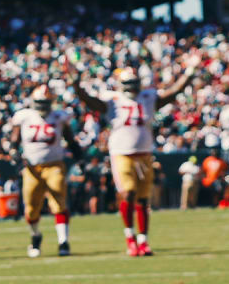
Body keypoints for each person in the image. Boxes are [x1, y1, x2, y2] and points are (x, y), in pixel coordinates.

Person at [72, 65, 197, 256]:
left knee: (143, 199)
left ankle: (143, 240)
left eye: (134, 83)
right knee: (128, 193)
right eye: (128, 83)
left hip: (145, 154)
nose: (131, 87)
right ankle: (130, 237)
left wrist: (189, 72)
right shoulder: (112, 100)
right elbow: (90, 101)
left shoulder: (148, 98)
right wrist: (76, 86)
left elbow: (174, 92)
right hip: (122, 153)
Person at [9, 85, 80, 257]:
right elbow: (15, 137)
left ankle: (63, 242)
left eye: (45, 102)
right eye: (39, 102)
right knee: (31, 207)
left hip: (54, 164)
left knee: (58, 199)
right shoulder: (24, 116)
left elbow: (69, 138)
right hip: (31, 168)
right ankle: (35, 236)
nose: (42, 106)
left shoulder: (58, 116)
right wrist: (13, 151)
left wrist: (78, 154)